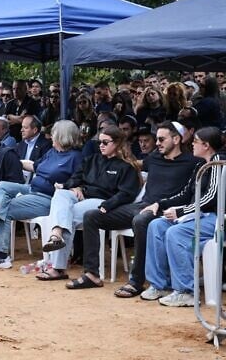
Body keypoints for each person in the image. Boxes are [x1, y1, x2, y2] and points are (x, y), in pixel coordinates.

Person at [70, 121, 199, 294]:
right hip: (142, 206)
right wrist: (115, 156)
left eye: (161, 139)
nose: (157, 143)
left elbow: (189, 193)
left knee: (140, 220)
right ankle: (91, 274)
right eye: (157, 139)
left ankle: (136, 281)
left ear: (176, 140)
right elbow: (132, 163)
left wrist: (162, 205)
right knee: (91, 216)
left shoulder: (192, 162)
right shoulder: (154, 158)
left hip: (166, 211)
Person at [0, 120, 83, 270]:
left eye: (54, 135)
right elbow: (33, 166)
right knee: (2, 186)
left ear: (62, 137)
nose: (50, 137)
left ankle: (1, 256)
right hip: (31, 189)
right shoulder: (52, 152)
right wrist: (12, 160)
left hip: (47, 198)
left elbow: (80, 178)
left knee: (3, 208)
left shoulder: (75, 157)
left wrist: (76, 187)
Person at [40, 125, 141, 288]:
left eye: (105, 142)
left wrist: (108, 205)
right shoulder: (92, 159)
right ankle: (57, 234)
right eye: (99, 142)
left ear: (117, 143)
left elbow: (126, 193)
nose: (101, 145)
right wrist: (74, 187)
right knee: (61, 195)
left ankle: (58, 267)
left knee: (67, 215)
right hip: (82, 196)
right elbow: (74, 178)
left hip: (102, 202)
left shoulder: (126, 167)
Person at [143, 127, 223, 306]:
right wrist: (160, 204)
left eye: (195, 141)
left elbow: (211, 197)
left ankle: (186, 291)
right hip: (199, 215)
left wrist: (181, 212)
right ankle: (160, 285)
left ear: (206, 145)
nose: (191, 144)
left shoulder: (218, 162)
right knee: (156, 225)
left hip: (217, 218)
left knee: (176, 233)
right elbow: (186, 194)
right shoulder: (200, 164)